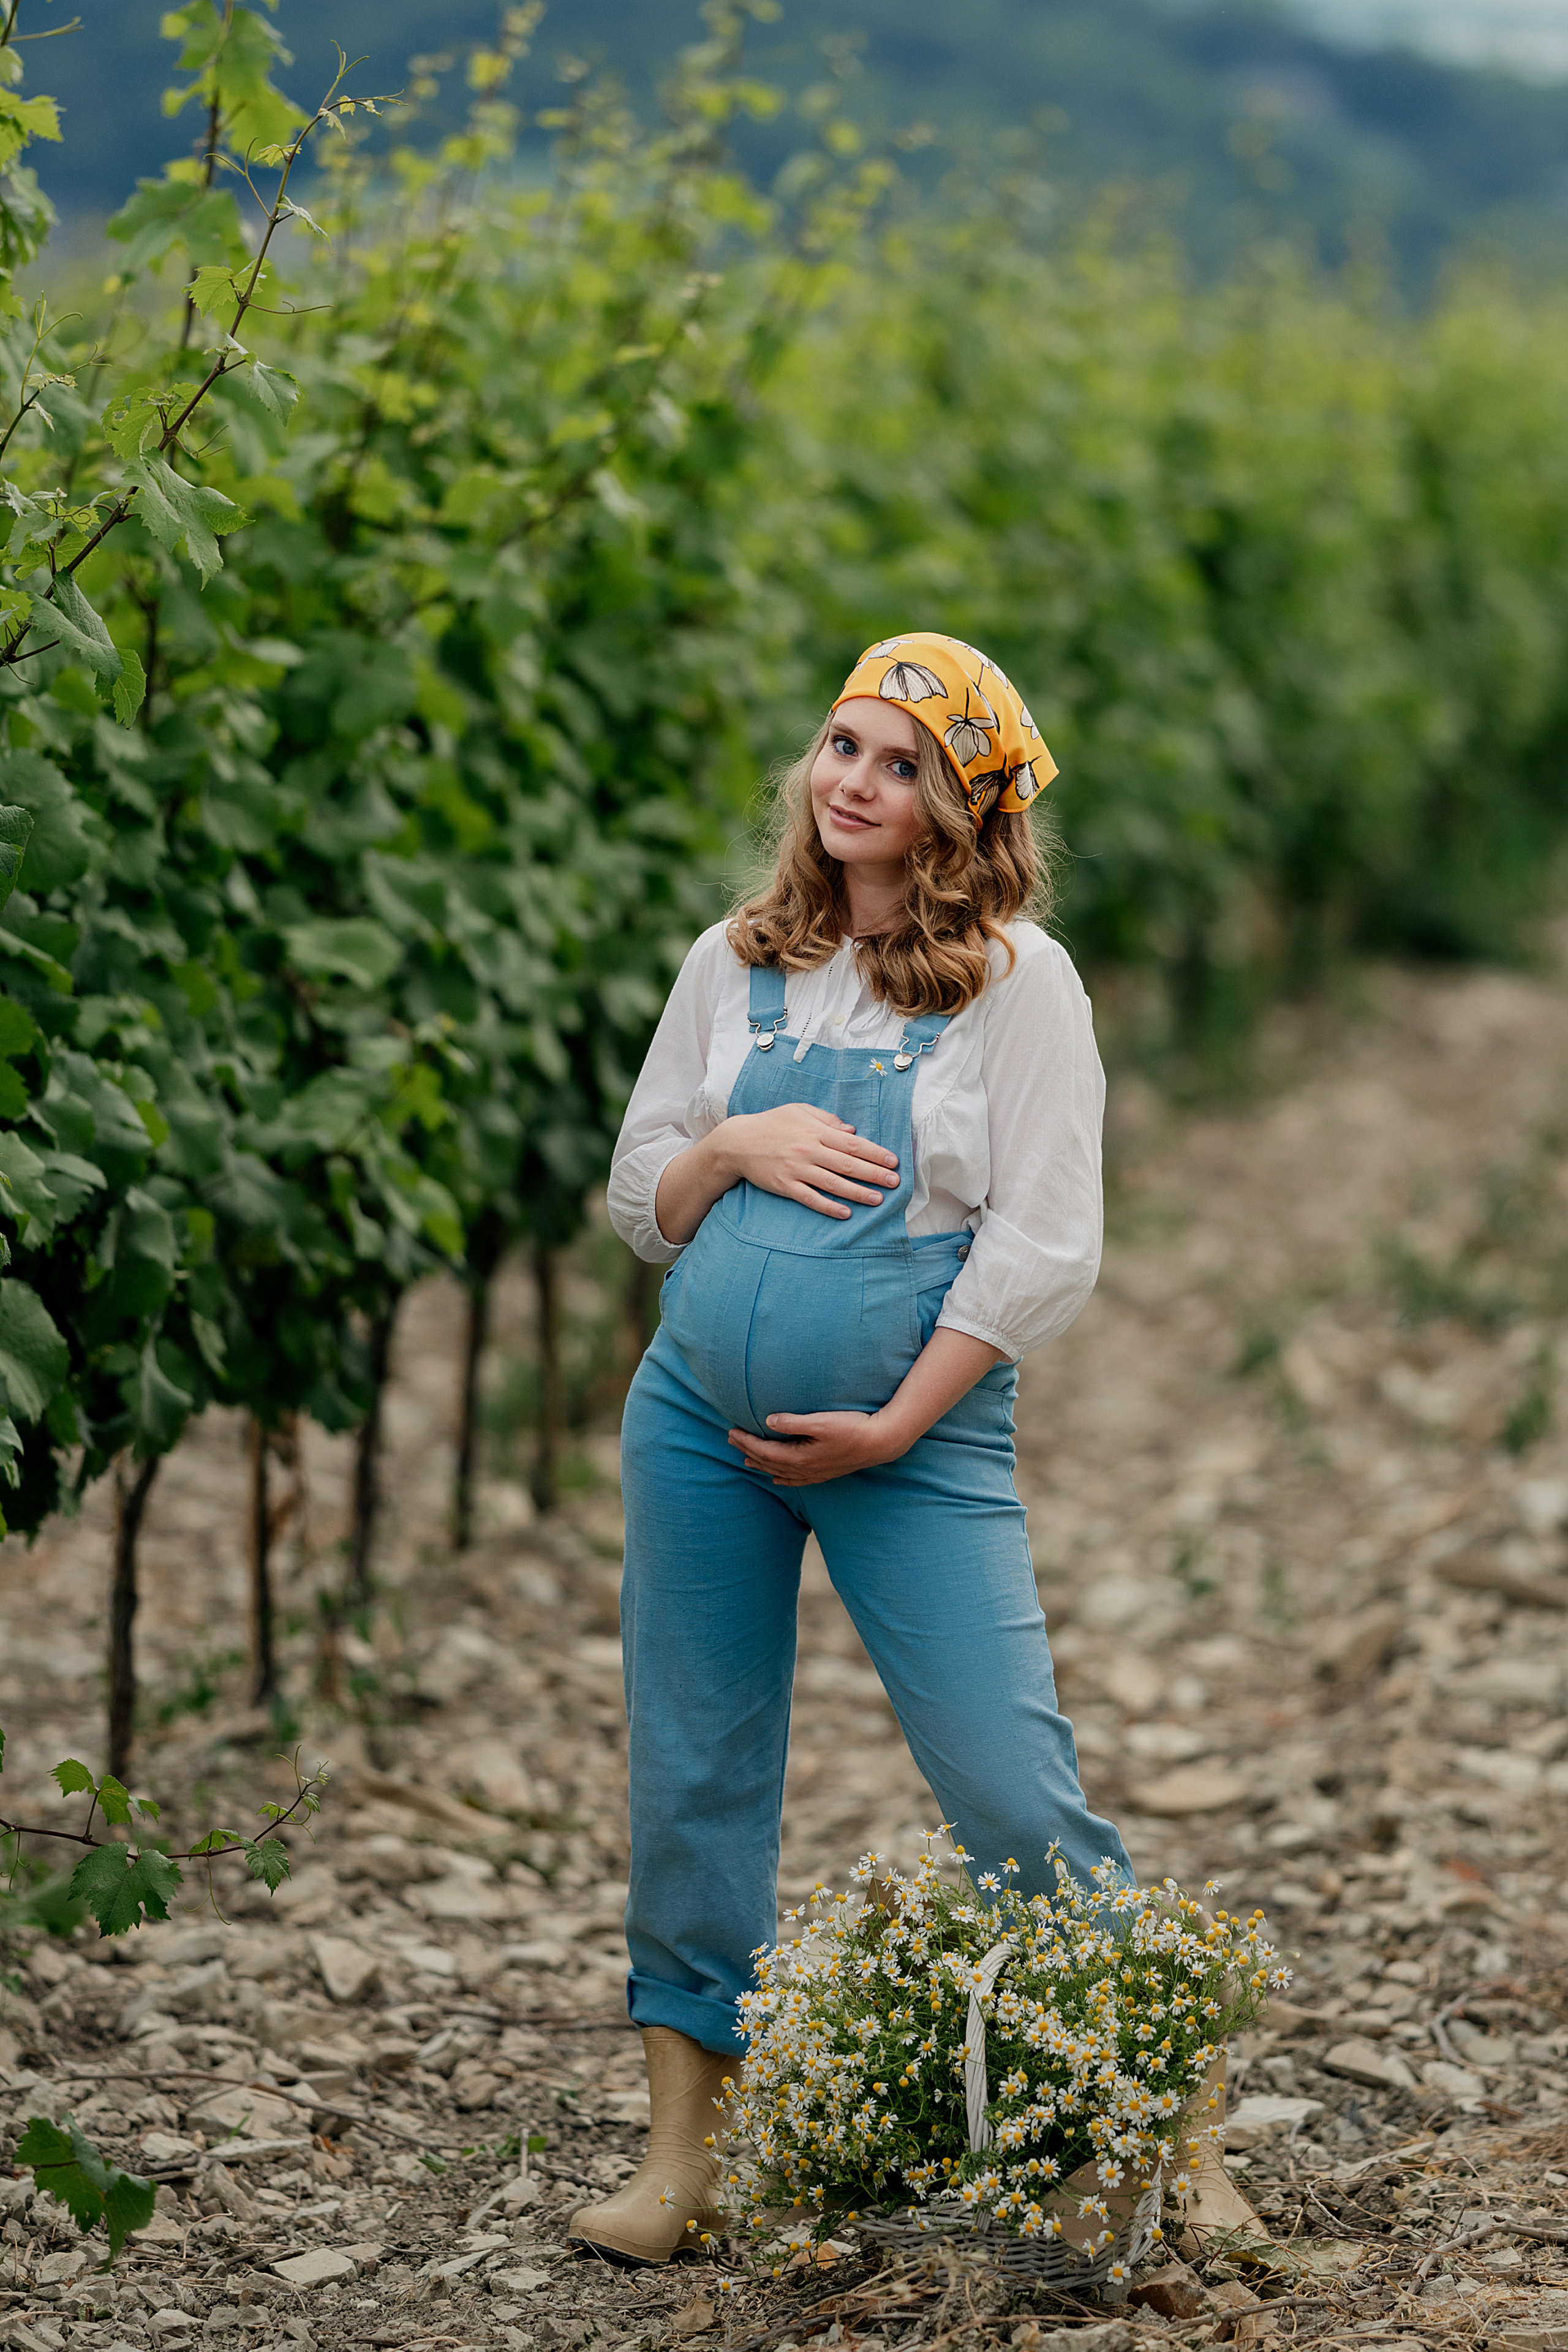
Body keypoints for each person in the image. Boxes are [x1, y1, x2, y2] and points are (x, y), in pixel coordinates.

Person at [570, 630, 1133, 2266]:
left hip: (913, 1439)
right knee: (694, 1773)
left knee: (1005, 1779)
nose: (856, 783)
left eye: (901, 762)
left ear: (963, 804)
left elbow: (1048, 1244)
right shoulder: (733, 960)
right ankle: (692, 2146)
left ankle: (1155, 2113)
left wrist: (892, 1419)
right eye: (840, 745)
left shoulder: (1020, 984)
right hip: (696, 1428)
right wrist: (730, 1142)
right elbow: (638, 1202)